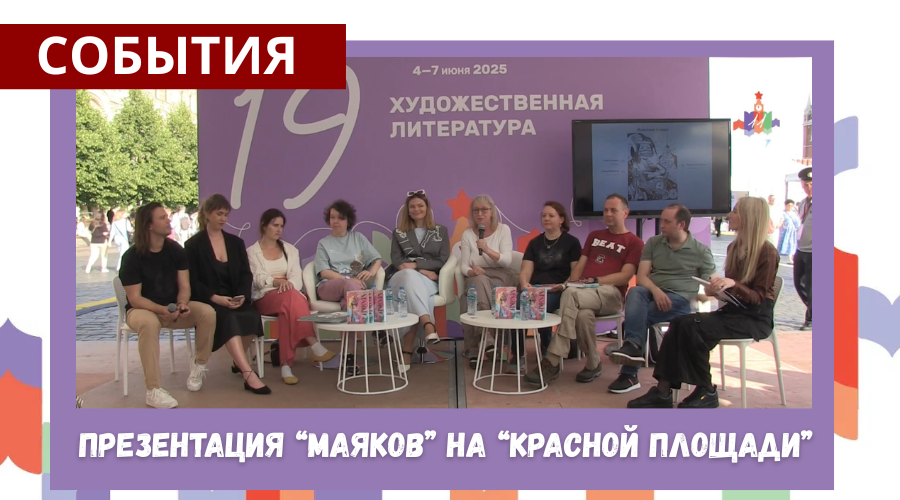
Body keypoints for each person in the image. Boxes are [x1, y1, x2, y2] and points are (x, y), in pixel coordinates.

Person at [626, 197, 780, 408]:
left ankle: (706, 389)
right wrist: (716, 290)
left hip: (755, 318)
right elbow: (732, 292)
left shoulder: (767, 252)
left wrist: (733, 284)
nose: (729, 215)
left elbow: (758, 297)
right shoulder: (734, 248)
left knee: (695, 329)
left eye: (735, 211)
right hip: (732, 312)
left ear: (749, 217)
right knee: (680, 324)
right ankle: (662, 390)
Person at [524, 194, 644, 385]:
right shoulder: (594, 236)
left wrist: (595, 281)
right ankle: (593, 363)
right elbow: (579, 266)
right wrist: (569, 283)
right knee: (582, 314)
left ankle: (553, 359)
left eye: (613, 210)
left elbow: (625, 276)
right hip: (585, 292)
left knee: (571, 295)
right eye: (605, 210)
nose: (608, 214)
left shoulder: (634, 242)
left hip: (611, 294)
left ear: (625, 213)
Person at [606, 204, 717, 394]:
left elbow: (711, 282)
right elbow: (641, 277)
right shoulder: (654, 242)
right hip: (652, 292)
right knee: (635, 292)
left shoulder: (700, 251)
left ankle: (629, 370)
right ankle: (633, 349)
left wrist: (712, 289)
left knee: (638, 316)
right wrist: (656, 291)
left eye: (667, 221)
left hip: (680, 299)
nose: (662, 225)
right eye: (662, 220)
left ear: (681, 225)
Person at [119, 202, 215, 408]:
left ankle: (199, 366)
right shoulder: (132, 257)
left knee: (207, 312)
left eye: (167, 216)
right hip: (142, 310)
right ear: (149, 225)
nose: (168, 220)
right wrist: (161, 310)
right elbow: (135, 298)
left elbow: (185, 286)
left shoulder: (176, 250)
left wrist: (182, 304)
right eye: (162, 218)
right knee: (149, 323)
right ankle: (153, 390)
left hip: (172, 308)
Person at [184, 194, 270, 395]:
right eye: (219, 214)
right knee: (230, 320)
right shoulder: (193, 245)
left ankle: (237, 362)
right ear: (207, 214)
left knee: (251, 316)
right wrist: (215, 298)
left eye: (226, 214)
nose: (223, 218)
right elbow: (193, 281)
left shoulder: (235, 243)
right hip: (209, 300)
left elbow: (245, 274)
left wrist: (241, 295)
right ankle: (248, 373)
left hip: (234, 298)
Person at [248, 209, 337, 384]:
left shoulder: (290, 250)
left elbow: (296, 276)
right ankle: (314, 345)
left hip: (288, 296)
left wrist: (288, 285)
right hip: (265, 297)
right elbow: (257, 279)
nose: (279, 229)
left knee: (286, 311)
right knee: (292, 299)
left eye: (281, 226)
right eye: (275, 225)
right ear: (264, 226)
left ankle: (286, 366)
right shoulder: (251, 252)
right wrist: (276, 282)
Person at [386, 191, 450, 371]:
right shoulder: (399, 233)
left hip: (427, 279)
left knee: (410, 291)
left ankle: (406, 351)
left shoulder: (441, 231)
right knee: (409, 277)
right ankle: (428, 324)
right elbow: (397, 260)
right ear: (407, 210)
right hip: (401, 276)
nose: (416, 209)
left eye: (420, 205)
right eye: (412, 206)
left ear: (427, 208)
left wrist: (416, 266)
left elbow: (442, 259)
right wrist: (417, 269)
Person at [517, 201, 582, 368]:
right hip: (536, 289)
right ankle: (517, 353)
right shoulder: (534, 243)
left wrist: (563, 286)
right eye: (544, 215)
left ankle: (546, 344)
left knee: (539, 303)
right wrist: (524, 284)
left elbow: (576, 273)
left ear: (561, 219)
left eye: (551, 215)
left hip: (560, 290)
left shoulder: (572, 243)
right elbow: (525, 271)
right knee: (517, 303)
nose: (546, 218)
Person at [458, 194, 518, 369]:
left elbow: (506, 261)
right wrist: (472, 271)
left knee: (471, 295)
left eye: (484, 210)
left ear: (492, 212)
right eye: (476, 210)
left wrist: (487, 249)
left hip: (501, 276)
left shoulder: (503, 230)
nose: (480, 214)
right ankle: (488, 339)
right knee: (476, 282)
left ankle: (475, 348)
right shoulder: (467, 234)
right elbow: (463, 265)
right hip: (477, 276)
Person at [314, 200, 383, 308]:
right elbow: (324, 272)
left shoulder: (358, 238)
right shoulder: (323, 243)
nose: (335, 221)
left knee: (349, 297)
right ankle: (359, 315)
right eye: (332, 217)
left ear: (348, 221)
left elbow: (377, 259)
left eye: (340, 218)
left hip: (354, 285)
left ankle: (348, 315)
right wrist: (348, 279)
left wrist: (371, 272)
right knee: (350, 286)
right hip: (329, 286)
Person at [794, 168, 812, 330]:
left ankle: (812, 318)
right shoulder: (803, 203)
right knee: (799, 284)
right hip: (801, 249)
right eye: (805, 184)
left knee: (812, 287)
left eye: (811, 184)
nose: (808, 187)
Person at [777, 199, 800, 264]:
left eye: (791, 206)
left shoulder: (794, 214)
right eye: (788, 205)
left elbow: (798, 223)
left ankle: (790, 258)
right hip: (784, 231)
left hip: (792, 232)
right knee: (781, 243)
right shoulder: (782, 213)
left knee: (792, 244)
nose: (790, 207)